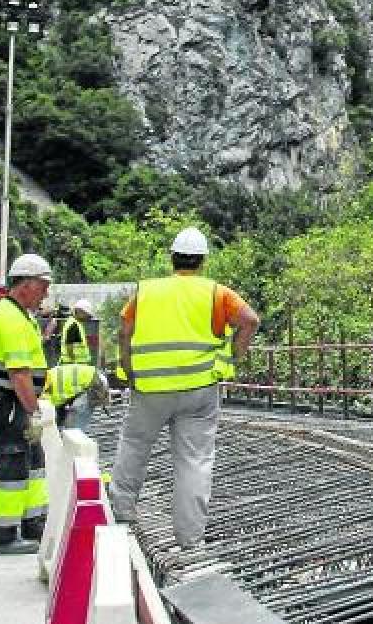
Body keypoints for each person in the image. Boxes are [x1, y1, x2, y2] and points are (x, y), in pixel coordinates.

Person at [109, 227, 260, 549]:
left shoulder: (147, 292)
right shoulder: (217, 293)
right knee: (194, 461)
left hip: (150, 388)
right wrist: (232, 357)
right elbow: (250, 321)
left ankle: (121, 515)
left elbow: (124, 331)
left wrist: (128, 370)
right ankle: (190, 540)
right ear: (203, 261)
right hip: (199, 390)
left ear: (172, 258)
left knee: (134, 445)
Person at [0, 253, 54, 555]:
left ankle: (32, 524)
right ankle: (4, 534)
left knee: (33, 461)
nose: (46, 292)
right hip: (7, 404)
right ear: (26, 284)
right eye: (42, 286)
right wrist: (33, 412)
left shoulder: (18, 316)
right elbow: (19, 374)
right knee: (14, 462)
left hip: (7, 403)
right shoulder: (10, 319)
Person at [45, 298, 107, 431]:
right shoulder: (74, 325)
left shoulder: (74, 324)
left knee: (67, 405)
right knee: (72, 406)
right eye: (87, 314)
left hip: (76, 371)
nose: (88, 317)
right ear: (79, 311)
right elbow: (71, 348)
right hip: (76, 370)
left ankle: (63, 427)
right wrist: (77, 366)